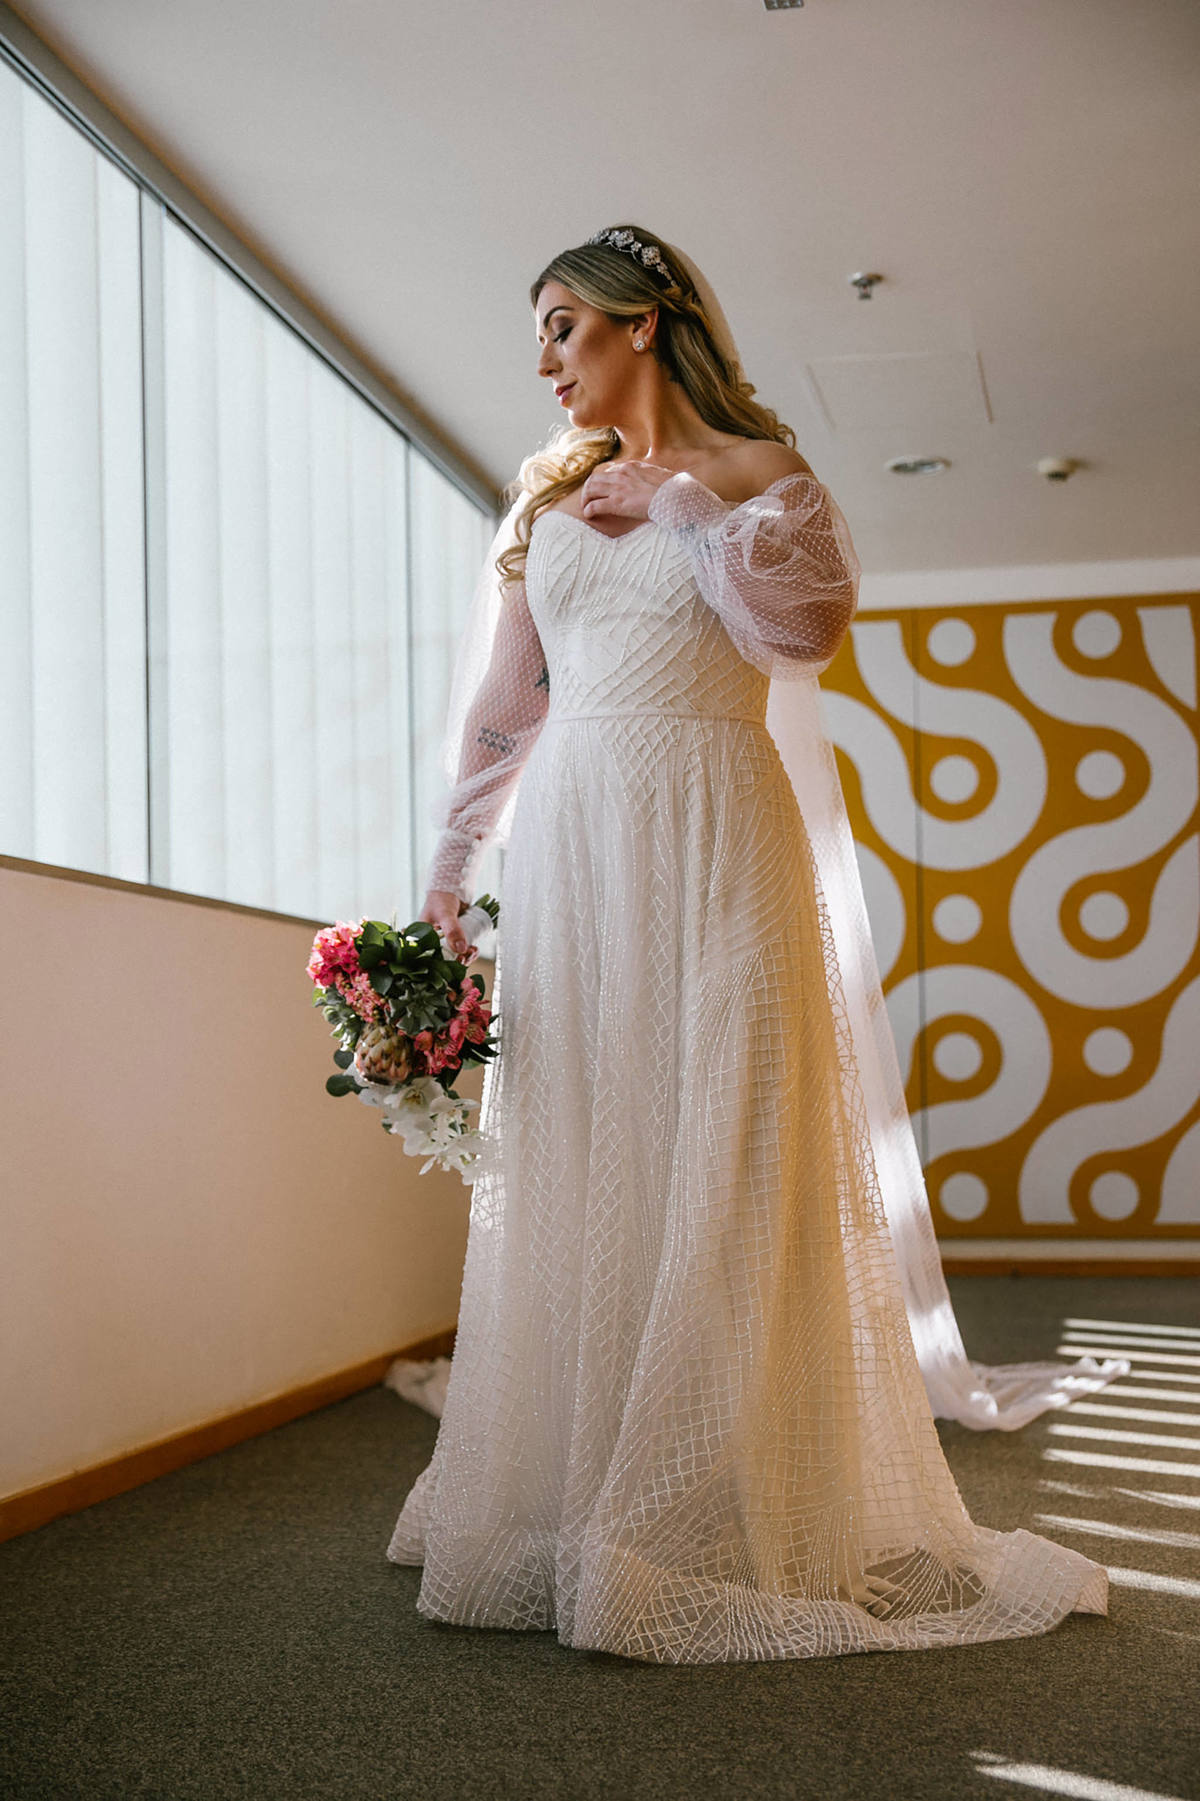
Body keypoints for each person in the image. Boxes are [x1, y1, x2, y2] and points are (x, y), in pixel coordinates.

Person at [386, 224, 1126, 1664]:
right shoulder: (545, 503)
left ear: (644, 323)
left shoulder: (761, 480)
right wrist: (449, 865)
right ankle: (564, 1492)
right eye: (538, 336)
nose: (543, 361)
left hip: (722, 831)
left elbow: (809, 631)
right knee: (591, 1151)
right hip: (579, 849)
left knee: (731, 1154)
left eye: (563, 329)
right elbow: (506, 702)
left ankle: (714, 1499)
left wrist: (688, 517)